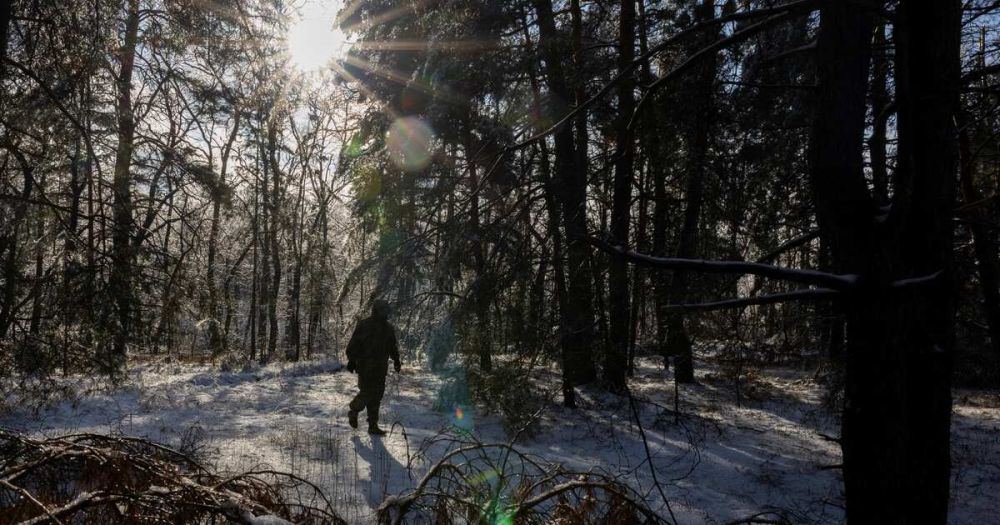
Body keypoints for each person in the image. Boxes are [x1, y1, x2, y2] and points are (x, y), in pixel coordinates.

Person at [345, 300, 401, 435]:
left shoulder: (388, 328)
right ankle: (353, 410)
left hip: (380, 368)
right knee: (367, 393)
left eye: (386, 310)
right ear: (376, 310)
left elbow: (392, 346)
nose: (385, 313)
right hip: (365, 367)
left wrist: (396, 360)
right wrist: (352, 360)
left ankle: (373, 426)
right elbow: (353, 344)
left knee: (377, 396)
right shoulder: (364, 325)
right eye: (383, 310)